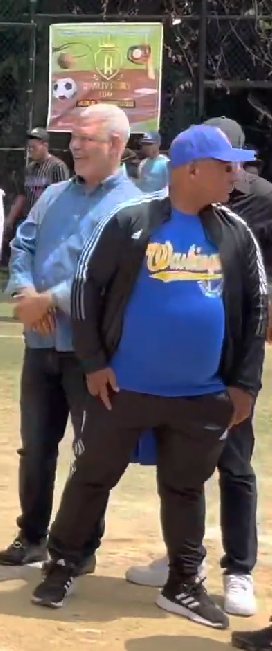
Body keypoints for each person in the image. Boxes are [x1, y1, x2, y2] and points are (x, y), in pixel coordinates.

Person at [30, 126, 265, 632]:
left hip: (203, 394)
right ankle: (64, 564)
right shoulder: (132, 220)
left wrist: (245, 384)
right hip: (124, 387)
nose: (236, 175)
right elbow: (87, 291)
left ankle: (183, 582)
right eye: (227, 167)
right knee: (93, 476)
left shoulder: (233, 231)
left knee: (185, 489)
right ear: (193, 170)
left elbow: (257, 309)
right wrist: (93, 363)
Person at [126, 116, 272, 618]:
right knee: (179, 468)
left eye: (234, 164)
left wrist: (247, 375)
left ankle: (239, 570)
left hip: (230, 363)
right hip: (181, 366)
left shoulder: (259, 202)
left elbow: (257, 292)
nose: (232, 175)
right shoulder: (173, 207)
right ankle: (184, 562)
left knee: (234, 465)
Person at [0, 103, 142, 568]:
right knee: (35, 445)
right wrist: (24, 290)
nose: (75, 147)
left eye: (86, 139)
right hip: (40, 346)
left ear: (116, 145)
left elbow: (115, 275)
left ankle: (81, 545)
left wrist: (51, 300)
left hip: (91, 351)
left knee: (90, 452)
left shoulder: (135, 206)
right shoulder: (54, 194)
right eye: (73, 139)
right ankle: (32, 535)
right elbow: (24, 242)